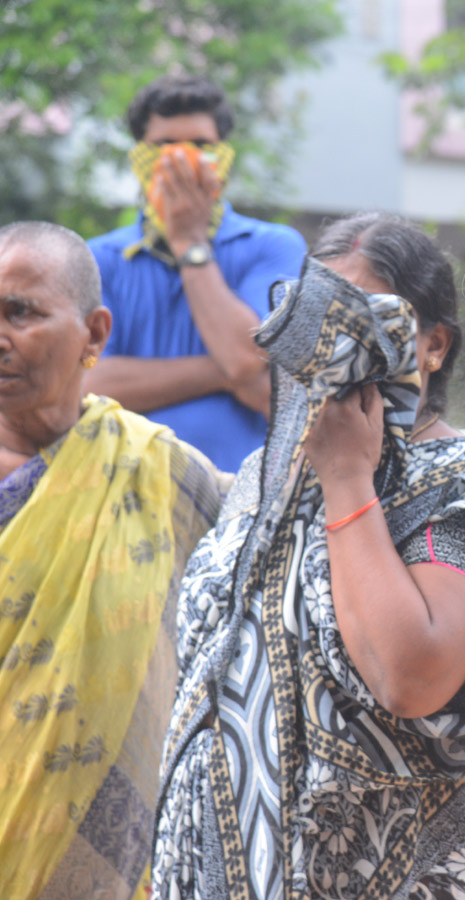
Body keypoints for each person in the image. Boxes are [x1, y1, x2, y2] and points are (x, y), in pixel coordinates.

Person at [152, 213, 465, 900]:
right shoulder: (267, 480)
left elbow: (414, 676)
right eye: (312, 315)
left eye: (359, 319)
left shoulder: (458, 482)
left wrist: (348, 478)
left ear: (432, 345)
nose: (326, 345)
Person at [0, 222, 222, 899]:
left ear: (94, 334)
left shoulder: (159, 473)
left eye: (20, 313)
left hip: (116, 868)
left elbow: (268, 550)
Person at [87, 74, 307, 472]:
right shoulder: (97, 259)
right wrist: (231, 372)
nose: (181, 160)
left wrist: (190, 244)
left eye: (200, 146)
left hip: (243, 503)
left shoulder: (275, 247)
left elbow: (244, 358)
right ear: (140, 154)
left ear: (223, 154)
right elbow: (88, 386)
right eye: (165, 146)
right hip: (122, 499)